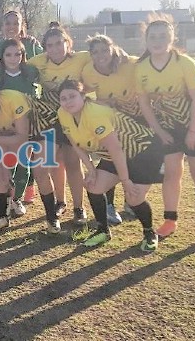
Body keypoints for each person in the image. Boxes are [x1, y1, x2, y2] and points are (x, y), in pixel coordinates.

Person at [135, 19, 195, 245]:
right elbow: (144, 105)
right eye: (153, 37)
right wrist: (160, 131)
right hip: (169, 128)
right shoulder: (141, 69)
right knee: (172, 174)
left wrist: (193, 131)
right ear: (146, 39)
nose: (157, 41)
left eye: (163, 36)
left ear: (173, 39)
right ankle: (170, 221)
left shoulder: (185, 63)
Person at [57, 79, 162, 251]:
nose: (68, 101)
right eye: (64, 98)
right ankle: (102, 231)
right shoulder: (63, 113)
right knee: (93, 185)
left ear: (83, 96)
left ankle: (150, 232)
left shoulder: (95, 114)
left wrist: (126, 180)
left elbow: (117, 149)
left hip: (143, 153)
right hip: (115, 155)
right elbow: (75, 144)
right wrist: (91, 170)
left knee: (134, 198)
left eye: (73, 96)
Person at [0, 76, 62, 234]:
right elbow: (0, 145)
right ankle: (1, 216)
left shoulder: (11, 99)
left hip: (44, 126)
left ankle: (52, 218)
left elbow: (22, 136)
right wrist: (6, 171)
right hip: (17, 132)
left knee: (40, 171)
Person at [27, 23, 90, 225]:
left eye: (59, 43)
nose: (55, 49)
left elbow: (107, 55)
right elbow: (17, 64)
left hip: (74, 118)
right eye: (50, 45)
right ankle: (60, 202)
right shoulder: (39, 61)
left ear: (68, 43)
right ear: (45, 47)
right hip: (50, 119)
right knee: (52, 163)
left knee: (73, 162)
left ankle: (79, 207)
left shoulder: (81, 58)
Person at [81, 34, 142, 224]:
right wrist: (101, 102)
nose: (101, 55)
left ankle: (130, 202)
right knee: (110, 160)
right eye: (95, 52)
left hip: (134, 120)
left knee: (133, 159)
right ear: (91, 55)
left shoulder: (130, 63)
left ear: (113, 48)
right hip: (109, 122)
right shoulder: (89, 71)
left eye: (104, 50)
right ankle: (109, 205)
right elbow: (80, 94)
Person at [0, 10, 44, 204]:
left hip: (27, 119)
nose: (11, 26)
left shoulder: (31, 52)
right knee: (8, 159)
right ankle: (11, 193)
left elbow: (42, 71)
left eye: (15, 22)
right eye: (7, 23)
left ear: (22, 25)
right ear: (2, 26)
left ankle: (24, 190)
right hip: (5, 120)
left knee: (26, 158)